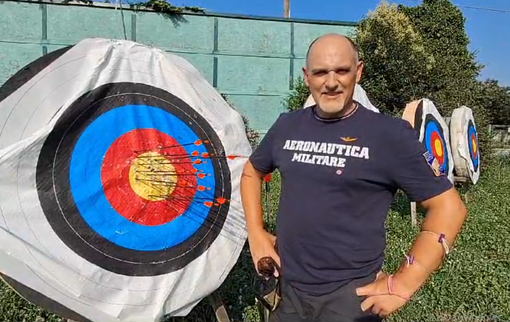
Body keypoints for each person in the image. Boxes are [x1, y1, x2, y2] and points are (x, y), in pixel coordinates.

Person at [240, 33, 467, 322]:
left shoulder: (389, 135)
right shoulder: (288, 125)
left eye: (342, 71)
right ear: (307, 76)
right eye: (321, 72)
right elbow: (251, 172)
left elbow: (449, 208)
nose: (331, 82)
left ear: (358, 72)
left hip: (350, 298)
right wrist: (256, 233)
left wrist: (406, 282)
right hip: (287, 288)